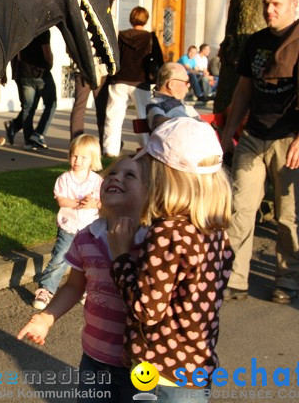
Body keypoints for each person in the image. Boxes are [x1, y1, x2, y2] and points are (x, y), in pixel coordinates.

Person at [220, 0, 299, 304]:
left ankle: (288, 279)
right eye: (265, 3)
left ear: (293, 5)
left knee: (290, 215)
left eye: (276, 4)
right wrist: (227, 133)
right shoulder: (256, 41)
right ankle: (235, 278)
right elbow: (244, 89)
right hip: (254, 137)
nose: (269, 10)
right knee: (240, 208)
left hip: (291, 139)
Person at [110, 117, 233, 402]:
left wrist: (121, 255)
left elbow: (147, 309)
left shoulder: (169, 232)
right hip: (195, 365)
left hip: (160, 373)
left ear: (165, 177)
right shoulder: (214, 229)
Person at [17, 156, 149, 402]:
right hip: (94, 357)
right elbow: (75, 286)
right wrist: (46, 318)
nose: (116, 177)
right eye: (112, 173)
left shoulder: (152, 242)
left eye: (130, 175)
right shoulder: (86, 238)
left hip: (140, 361)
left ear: (150, 192)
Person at [31, 134, 103, 309]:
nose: (77, 160)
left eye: (83, 157)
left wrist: (94, 203)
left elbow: (102, 202)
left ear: (93, 159)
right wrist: (79, 204)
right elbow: (61, 200)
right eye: (74, 155)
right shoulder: (64, 178)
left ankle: (88, 289)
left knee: (89, 260)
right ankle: (47, 288)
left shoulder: (97, 181)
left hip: (90, 228)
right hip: (68, 226)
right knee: (60, 257)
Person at [102, 6, 163, 156]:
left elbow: (114, 56)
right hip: (140, 81)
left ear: (131, 19)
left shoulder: (121, 36)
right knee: (143, 115)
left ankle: (110, 149)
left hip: (120, 79)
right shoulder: (150, 38)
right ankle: (147, 147)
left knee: (113, 116)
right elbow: (159, 60)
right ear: (146, 19)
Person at [4, 29, 57, 150]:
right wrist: (49, 64)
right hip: (41, 74)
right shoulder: (43, 31)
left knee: (28, 108)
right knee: (51, 104)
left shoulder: (23, 31)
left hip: (25, 73)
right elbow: (47, 53)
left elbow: (19, 54)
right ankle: (38, 134)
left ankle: (28, 139)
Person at [146, 62, 200, 131]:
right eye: (186, 82)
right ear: (171, 84)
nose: (189, 85)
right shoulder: (157, 103)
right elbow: (158, 122)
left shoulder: (181, 103)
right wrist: (189, 125)